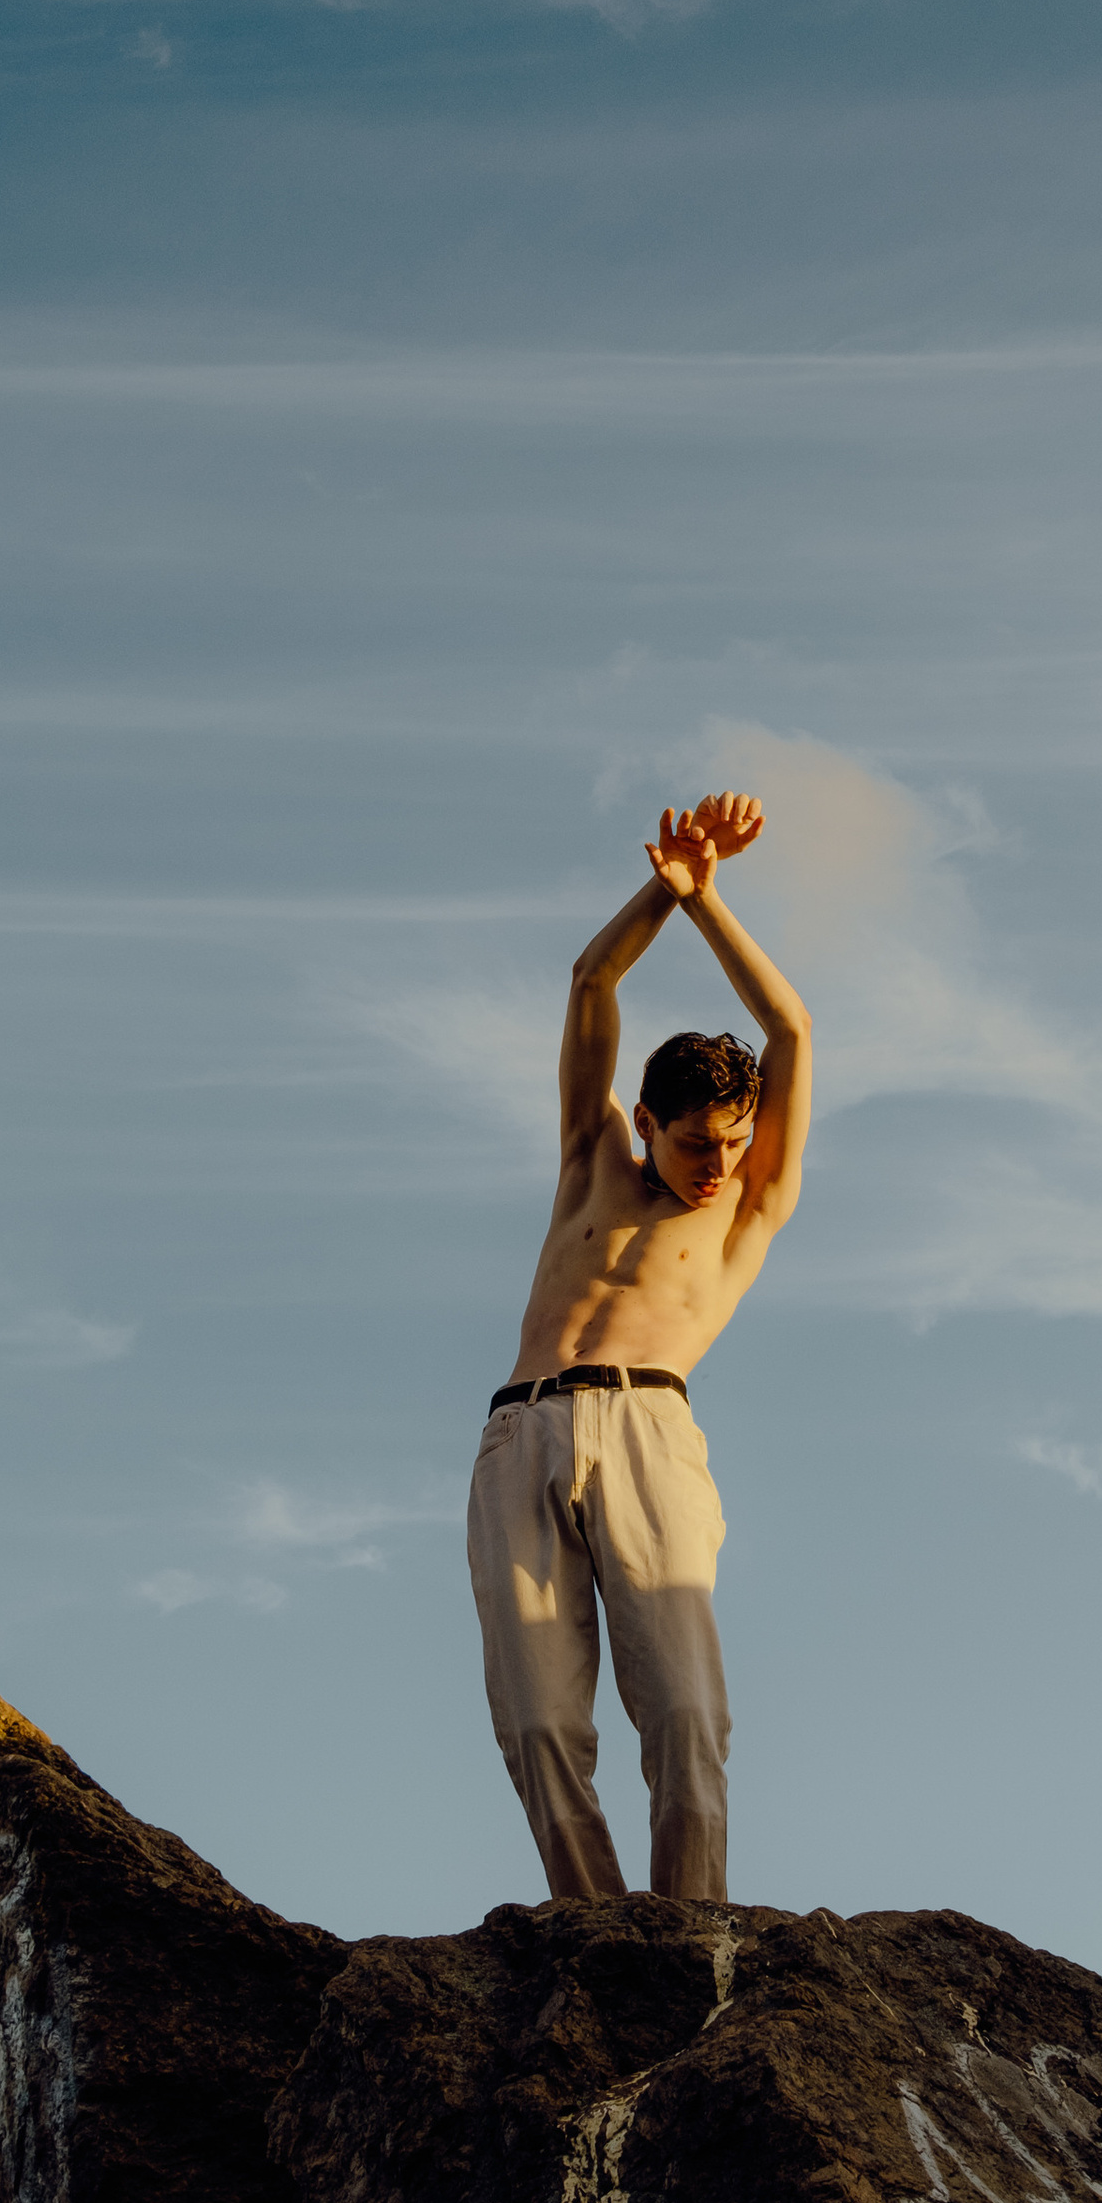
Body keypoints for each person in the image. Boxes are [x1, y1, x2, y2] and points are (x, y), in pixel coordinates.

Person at [467, 790, 811, 1904]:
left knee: (683, 1710)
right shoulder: (590, 1163)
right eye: (696, 1143)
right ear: (645, 1126)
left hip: (647, 1427)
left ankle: (691, 1930)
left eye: (732, 1142)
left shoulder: (741, 1211)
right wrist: (659, 889)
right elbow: (590, 982)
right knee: (534, 1719)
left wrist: (710, 902)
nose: (716, 1163)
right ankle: (595, 1931)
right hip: (518, 1432)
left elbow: (793, 1032)